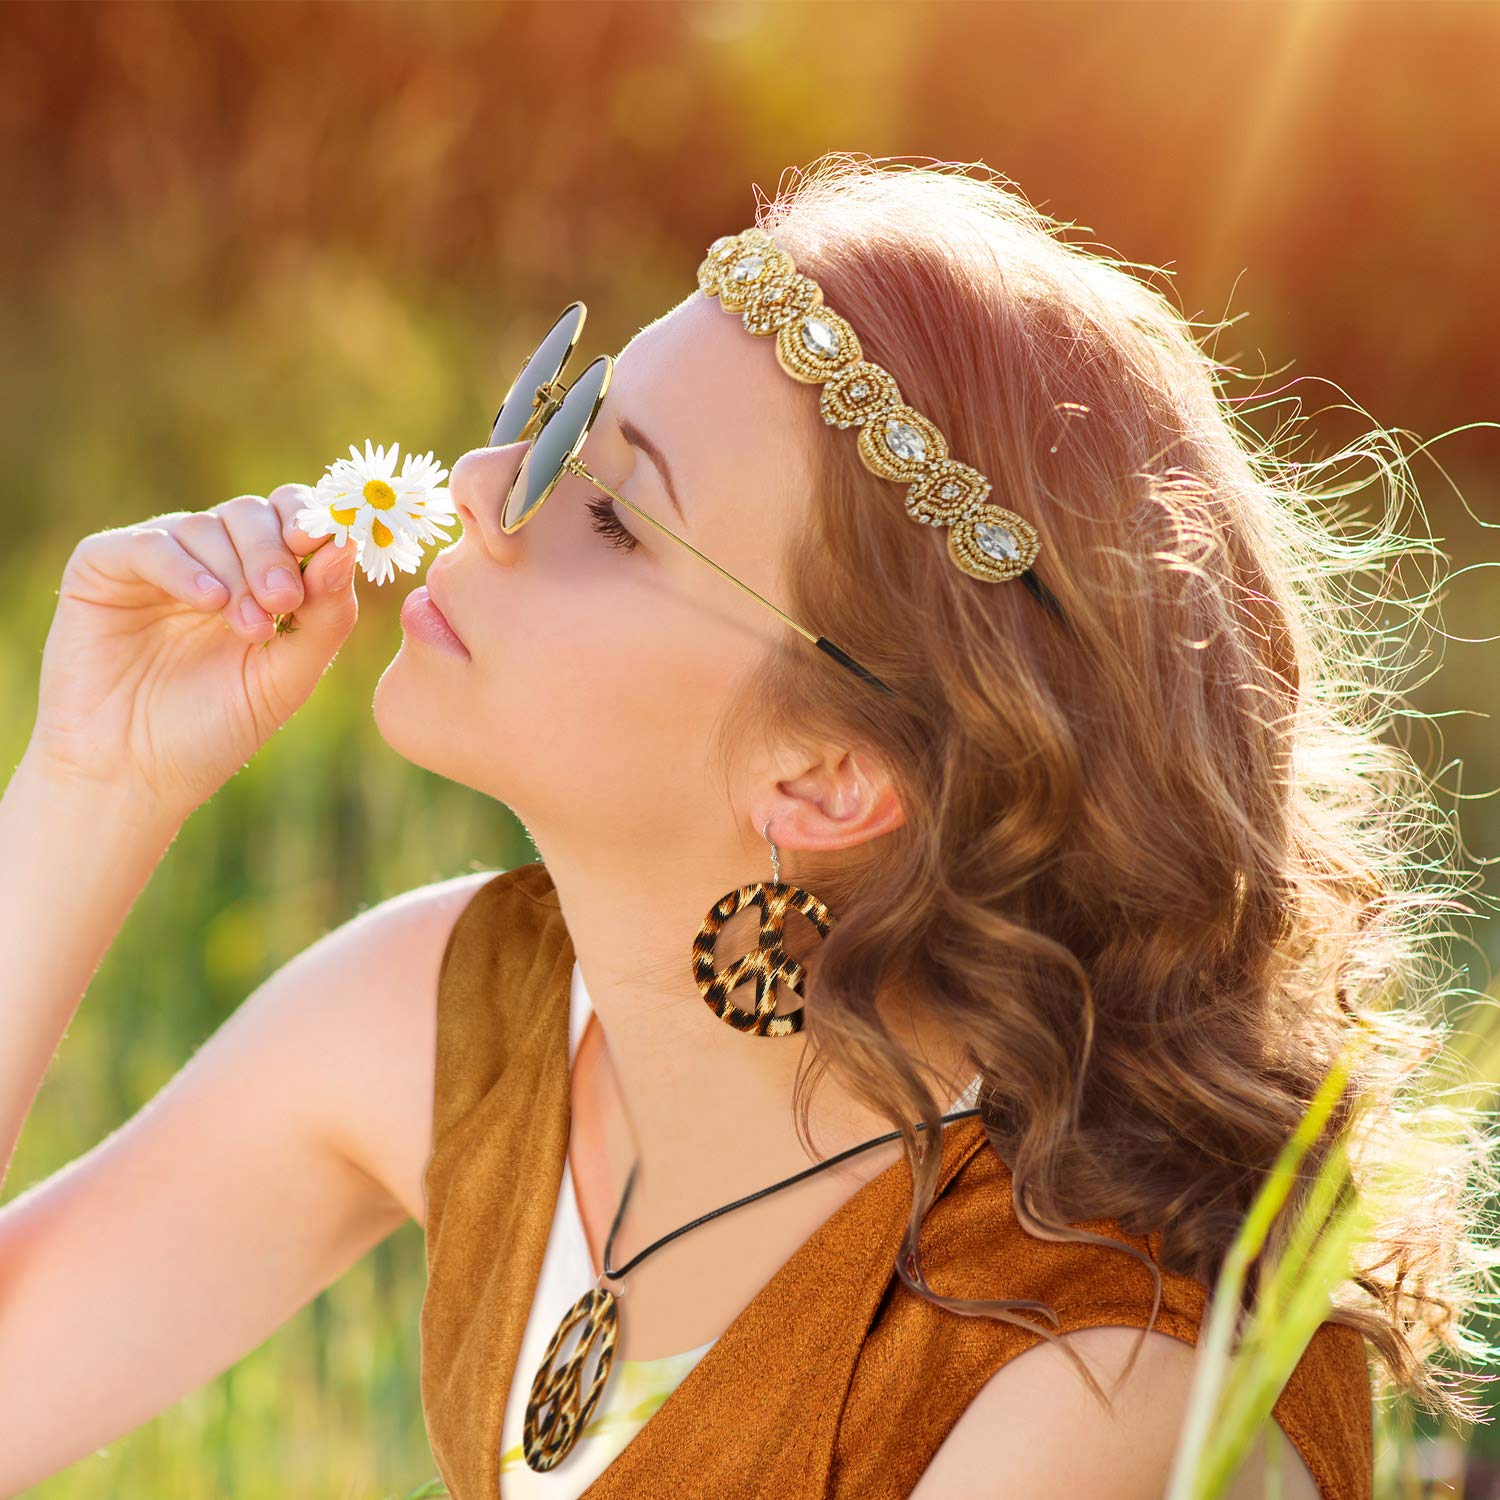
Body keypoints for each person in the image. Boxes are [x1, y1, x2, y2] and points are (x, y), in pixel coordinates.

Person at [0, 154, 1490, 1499]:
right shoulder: (461, 1016)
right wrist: (92, 783)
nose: (476, 488)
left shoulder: (1094, 1379)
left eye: (606, 509)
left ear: (829, 777)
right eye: (550, 414)